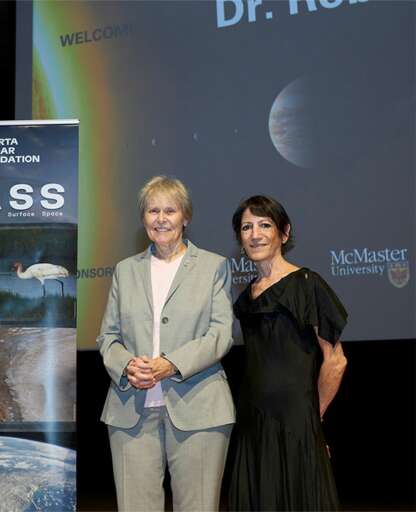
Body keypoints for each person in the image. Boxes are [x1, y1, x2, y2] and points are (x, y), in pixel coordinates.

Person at [97, 176, 235, 511]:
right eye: (152, 210)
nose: (161, 218)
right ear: (143, 218)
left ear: (185, 217)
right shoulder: (125, 270)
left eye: (170, 210)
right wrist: (127, 365)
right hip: (131, 410)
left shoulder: (213, 266)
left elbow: (221, 333)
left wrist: (169, 364)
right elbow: (108, 337)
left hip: (200, 408)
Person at [227, 195, 348, 511]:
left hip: (297, 425)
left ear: (284, 232)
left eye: (265, 225)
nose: (255, 234)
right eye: (247, 227)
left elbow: (336, 361)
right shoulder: (245, 297)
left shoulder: (307, 284)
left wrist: (313, 418)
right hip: (253, 424)